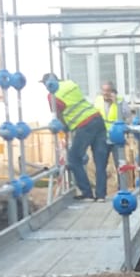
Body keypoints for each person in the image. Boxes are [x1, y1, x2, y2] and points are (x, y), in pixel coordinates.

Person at [43, 72, 109, 201]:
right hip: (97, 119)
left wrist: (64, 127)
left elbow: (58, 115)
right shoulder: (70, 83)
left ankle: (87, 193)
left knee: (73, 159)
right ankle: (101, 195)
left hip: (84, 125)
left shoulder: (53, 95)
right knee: (100, 161)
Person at [95, 82, 127, 190]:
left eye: (108, 91)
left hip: (117, 137)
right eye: (103, 91)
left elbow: (127, 116)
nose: (105, 93)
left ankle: (122, 189)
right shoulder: (98, 100)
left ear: (113, 91)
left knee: (120, 165)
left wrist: (116, 103)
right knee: (100, 166)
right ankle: (100, 193)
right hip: (102, 137)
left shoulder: (120, 101)